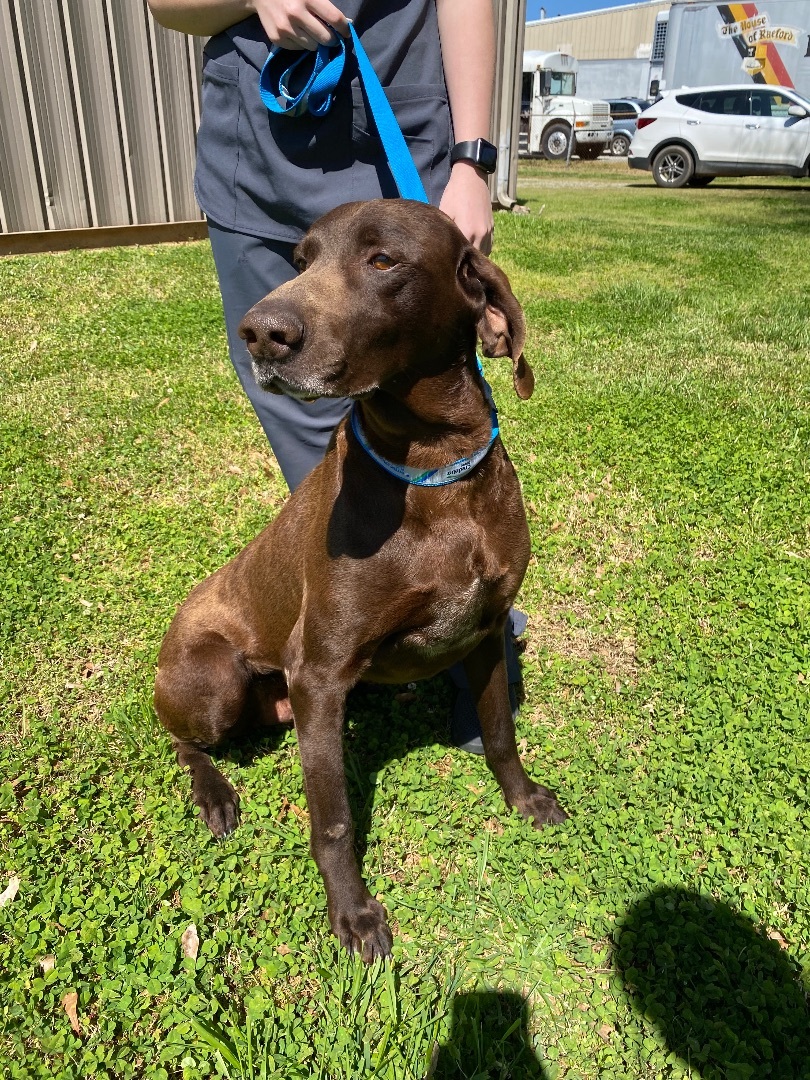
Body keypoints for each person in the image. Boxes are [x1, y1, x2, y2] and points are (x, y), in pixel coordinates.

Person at [147, 0, 523, 751]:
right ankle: (364, 618)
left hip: (397, 131)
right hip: (255, 157)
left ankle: (465, 619)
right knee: (310, 426)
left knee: (423, 389)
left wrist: (473, 159)